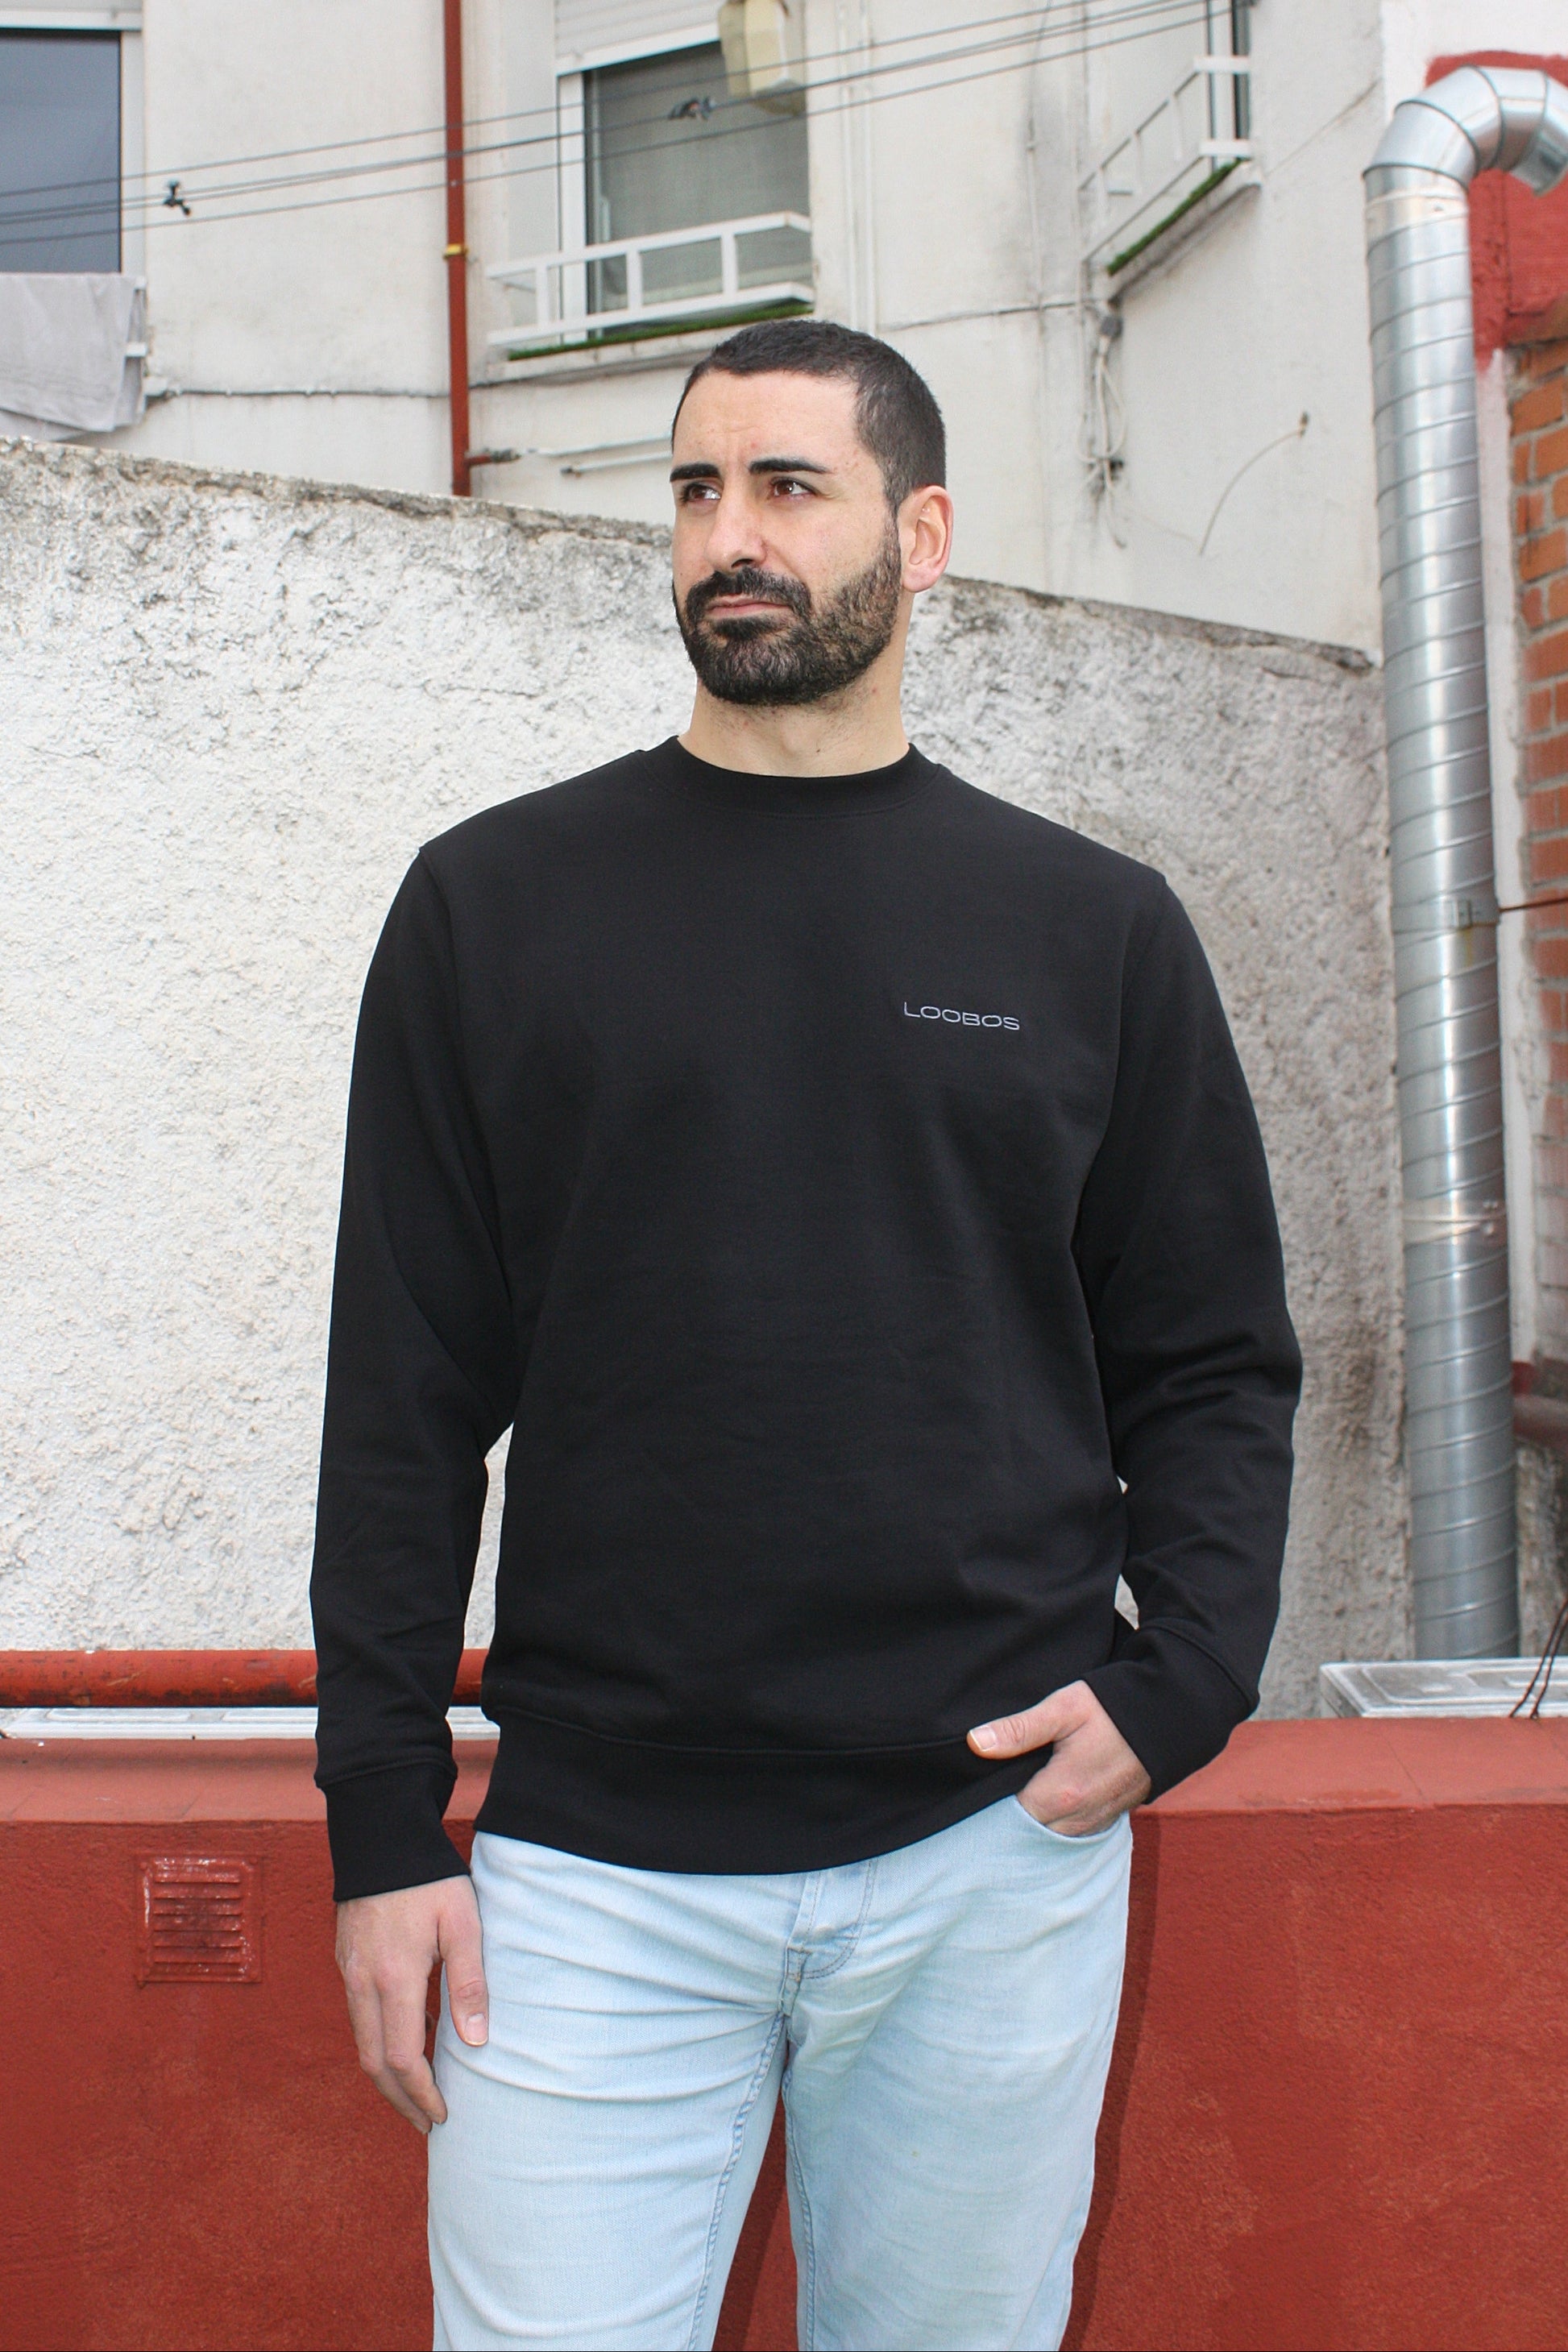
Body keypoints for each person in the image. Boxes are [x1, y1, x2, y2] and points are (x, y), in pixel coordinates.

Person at [311, 317, 1300, 2352]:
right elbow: (401, 1395)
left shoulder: (1088, 926)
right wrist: (381, 1821)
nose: (728, 536)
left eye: (787, 486)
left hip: (987, 1851)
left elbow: (1209, 1356)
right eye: (695, 488)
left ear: (920, 535)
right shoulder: (493, 905)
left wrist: (1186, 1673)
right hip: (590, 1869)